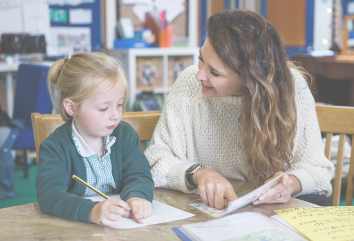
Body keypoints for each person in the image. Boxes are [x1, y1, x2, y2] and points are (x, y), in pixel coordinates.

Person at [145, 9, 335, 209]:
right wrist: (198, 173)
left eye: (215, 72)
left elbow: (317, 170)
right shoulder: (188, 84)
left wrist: (291, 184)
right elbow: (155, 161)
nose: (199, 75)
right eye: (201, 58)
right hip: (211, 211)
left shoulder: (291, 86)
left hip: (273, 212)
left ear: (251, 79)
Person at [36, 52, 154, 226]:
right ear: (72, 107)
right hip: (75, 231)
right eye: (103, 108)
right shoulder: (56, 146)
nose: (115, 115)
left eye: (119, 104)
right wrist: (91, 211)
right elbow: (49, 195)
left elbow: (139, 175)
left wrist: (137, 196)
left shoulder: (125, 135)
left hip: (122, 228)